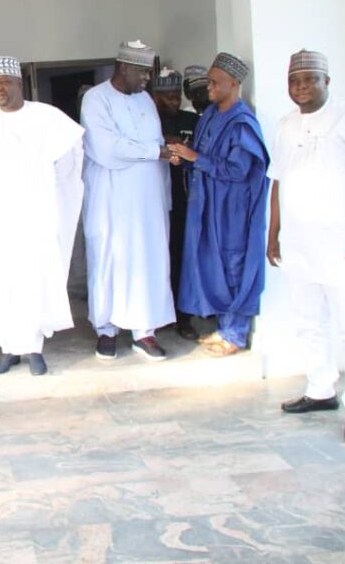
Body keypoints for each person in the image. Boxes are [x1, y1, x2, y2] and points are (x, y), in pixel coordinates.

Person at [268, 49, 345, 442]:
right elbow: (277, 182)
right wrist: (273, 234)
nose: (301, 87)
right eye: (294, 80)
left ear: (327, 82)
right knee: (309, 321)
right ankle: (321, 389)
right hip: (301, 244)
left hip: (344, 244)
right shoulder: (286, 124)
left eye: (309, 79)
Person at [0, 56, 84, 376]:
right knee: (2, 281)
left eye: (4, 82)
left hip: (35, 217)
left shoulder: (46, 117)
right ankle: (7, 348)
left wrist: (57, 197)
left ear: (19, 84)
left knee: (33, 280)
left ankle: (33, 348)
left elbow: (72, 157)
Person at [170, 52, 270, 357]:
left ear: (234, 83)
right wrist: (183, 158)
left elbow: (239, 170)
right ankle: (224, 327)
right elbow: (199, 154)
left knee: (232, 263)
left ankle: (235, 334)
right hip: (207, 203)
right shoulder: (212, 114)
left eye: (215, 83)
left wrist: (195, 158)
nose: (209, 88)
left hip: (231, 208)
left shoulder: (242, 122)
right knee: (212, 262)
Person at [82, 41, 174, 362]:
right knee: (109, 258)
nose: (146, 79)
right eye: (142, 72)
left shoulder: (146, 100)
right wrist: (153, 152)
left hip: (147, 201)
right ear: (123, 68)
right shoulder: (96, 99)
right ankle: (106, 331)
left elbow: (156, 144)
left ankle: (144, 332)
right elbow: (107, 149)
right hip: (111, 201)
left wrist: (164, 193)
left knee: (147, 259)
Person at [150, 68, 200, 342]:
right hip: (153, 201)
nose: (173, 100)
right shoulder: (147, 121)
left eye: (175, 95)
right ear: (154, 96)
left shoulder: (191, 120)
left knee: (182, 258)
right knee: (156, 258)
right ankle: (157, 315)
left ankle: (183, 317)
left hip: (184, 201)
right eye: (166, 95)